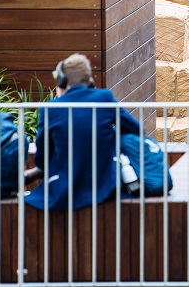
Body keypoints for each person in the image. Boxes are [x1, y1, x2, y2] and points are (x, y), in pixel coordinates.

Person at [25, 54, 142, 211]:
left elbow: (41, 159)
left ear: (62, 81)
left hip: (65, 191)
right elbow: (136, 129)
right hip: (106, 187)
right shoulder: (104, 97)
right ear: (90, 82)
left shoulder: (50, 109)